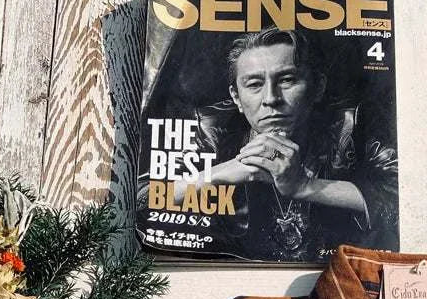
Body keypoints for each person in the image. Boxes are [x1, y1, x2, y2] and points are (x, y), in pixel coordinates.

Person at [152, 28, 398, 263]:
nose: (271, 99)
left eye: (287, 80)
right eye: (254, 84)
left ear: (318, 87)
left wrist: (304, 186)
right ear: (236, 97)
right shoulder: (211, 127)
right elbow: (145, 199)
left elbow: (398, 203)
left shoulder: (352, 125)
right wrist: (219, 174)